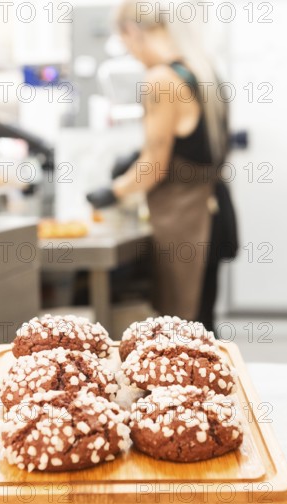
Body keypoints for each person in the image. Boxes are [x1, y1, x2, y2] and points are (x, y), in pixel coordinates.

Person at [87, 0, 236, 332]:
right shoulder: (202, 71)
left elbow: (153, 165)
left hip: (184, 224)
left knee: (180, 334)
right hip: (212, 216)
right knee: (202, 328)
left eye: (126, 45)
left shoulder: (161, 80)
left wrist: (110, 192)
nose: (133, 55)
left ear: (131, 32)